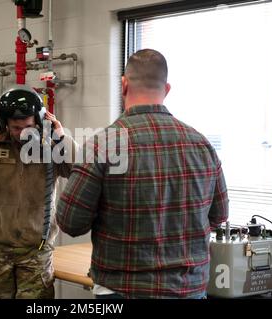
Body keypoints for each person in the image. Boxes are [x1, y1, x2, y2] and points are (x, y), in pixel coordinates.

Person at [56, 49, 229, 299]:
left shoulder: (102, 145)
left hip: (123, 290)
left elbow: (70, 222)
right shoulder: (202, 145)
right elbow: (219, 216)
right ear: (167, 89)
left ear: (123, 85)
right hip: (189, 289)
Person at [0, 85, 76, 299]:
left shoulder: (50, 148)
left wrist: (61, 137)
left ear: (38, 122)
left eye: (27, 126)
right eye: (15, 127)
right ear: (3, 123)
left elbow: (80, 172)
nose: (21, 133)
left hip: (36, 252)